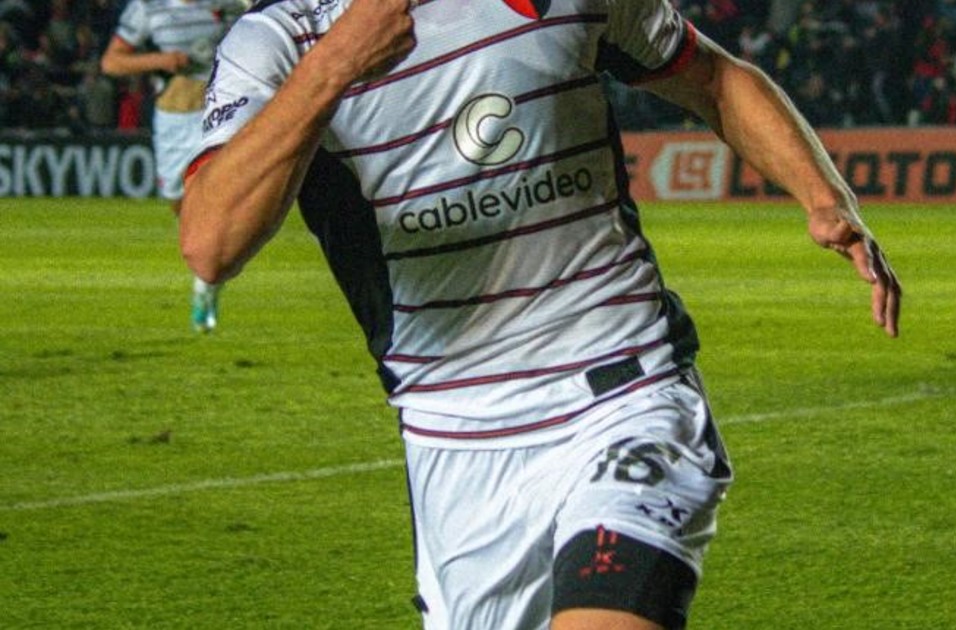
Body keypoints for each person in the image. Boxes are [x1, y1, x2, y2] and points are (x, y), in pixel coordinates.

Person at [180, 1, 902, 628]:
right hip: (453, 436)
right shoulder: (277, 40)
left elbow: (712, 77)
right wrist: (334, 66)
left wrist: (824, 196)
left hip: (624, 389)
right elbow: (211, 245)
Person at [100, 0, 246, 333]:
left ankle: (207, 282)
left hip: (219, 112)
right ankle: (208, 271)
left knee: (220, 199)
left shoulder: (227, 4)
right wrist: (162, 60)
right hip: (173, 116)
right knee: (181, 204)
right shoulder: (148, 7)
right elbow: (111, 62)